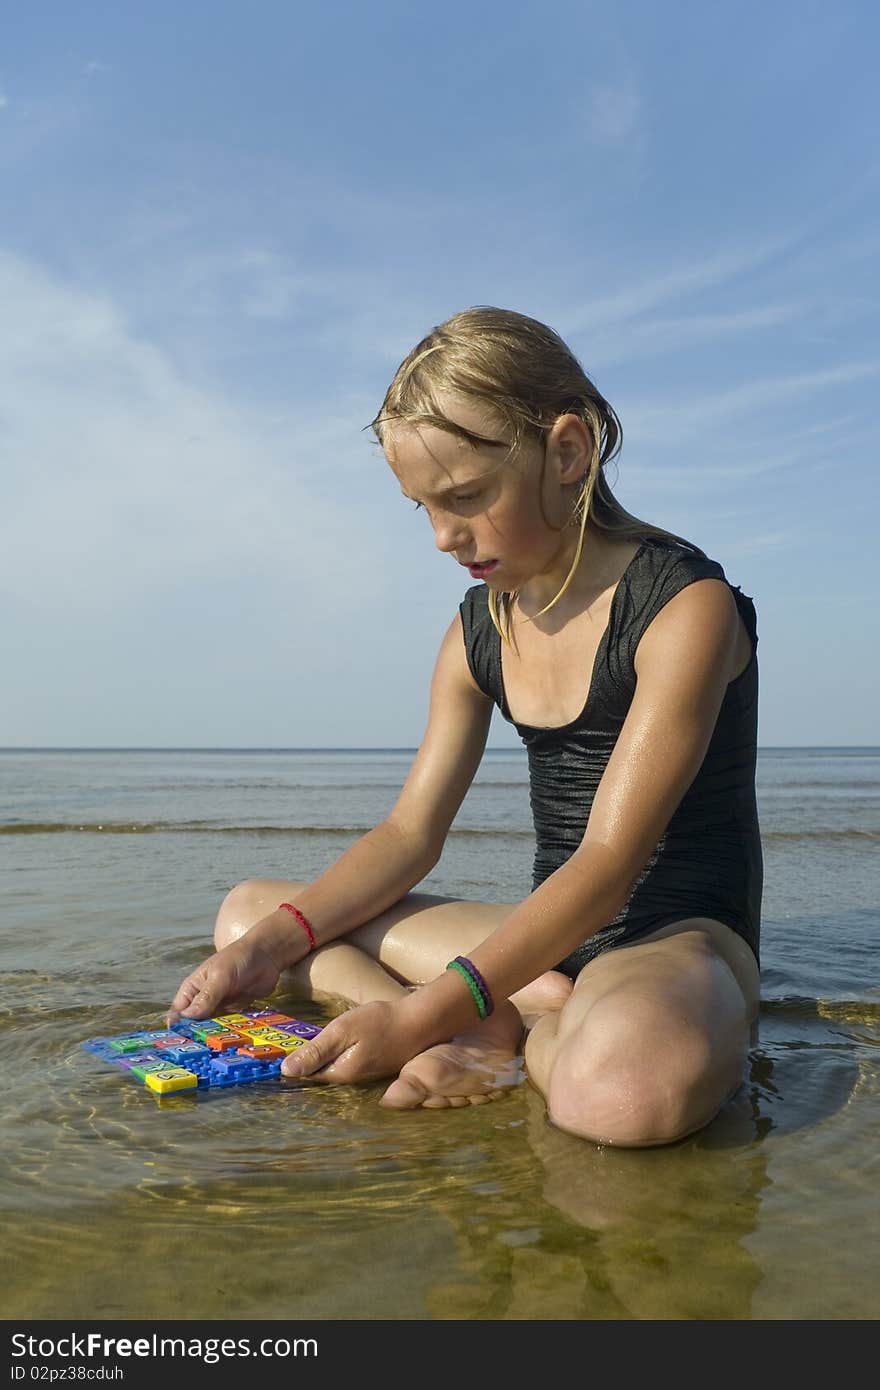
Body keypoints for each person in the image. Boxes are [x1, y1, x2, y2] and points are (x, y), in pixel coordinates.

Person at [168, 306, 763, 1147]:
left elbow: (605, 864)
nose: (446, 536)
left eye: (468, 497)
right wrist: (266, 948)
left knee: (622, 1099)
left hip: (674, 942)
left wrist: (414, 1019)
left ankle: (505, 1026)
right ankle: (500, 1016)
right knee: (249, 919)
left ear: (567, 451)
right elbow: (411, 833)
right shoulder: (478, 629)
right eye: (423, 508)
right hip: (548, 949)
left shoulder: (682, 610)